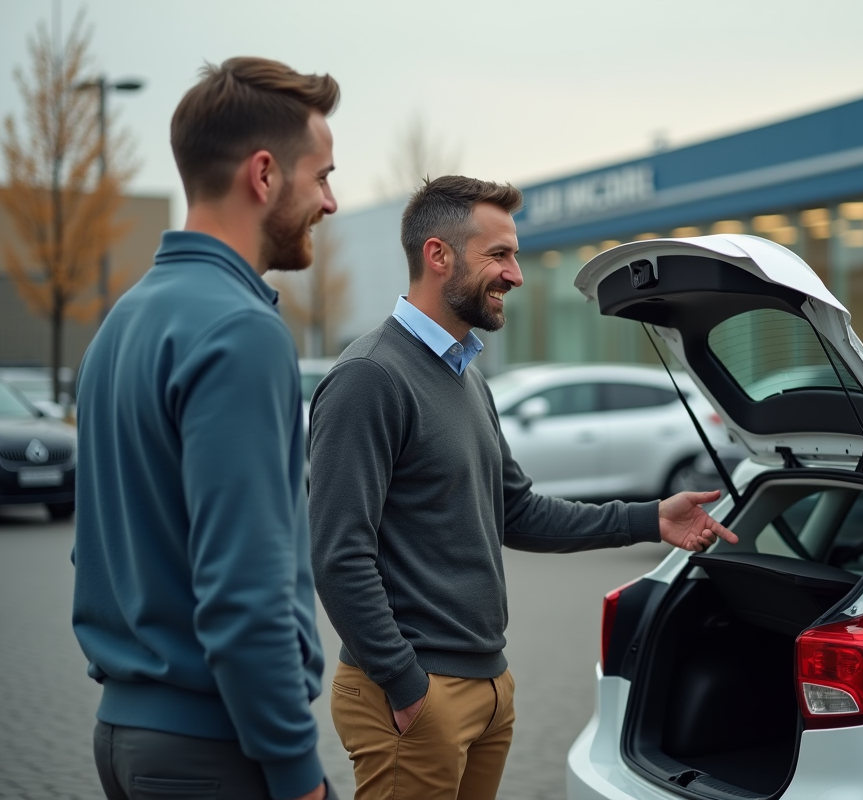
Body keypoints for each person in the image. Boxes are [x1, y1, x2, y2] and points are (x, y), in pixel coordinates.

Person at [308, 175, 738, 800]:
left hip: (486, 686)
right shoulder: (370, 377)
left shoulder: (466, 376)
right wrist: (404, 683)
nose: (516, 275)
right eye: (499, 255)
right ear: (438, 255)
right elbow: (337, 553)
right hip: (416, 692)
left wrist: (650, 519)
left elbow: (518, 512)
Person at [72, 57, 340, 800]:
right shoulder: (241, 332)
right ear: (264, 175)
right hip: (216, 753)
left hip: (124, 739)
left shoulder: (121, 324)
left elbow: (92, 554)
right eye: (321, 177)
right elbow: (244, 593)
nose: (332, 201)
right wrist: (296, 773)